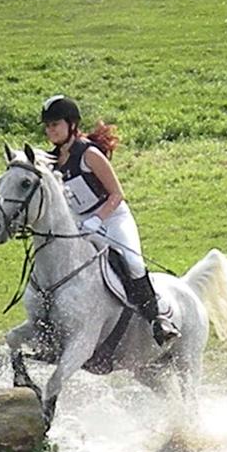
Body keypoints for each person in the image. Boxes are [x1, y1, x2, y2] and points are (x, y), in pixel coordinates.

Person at [40, 94, 180, 345]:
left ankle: (158, 320)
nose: (51, 131)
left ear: (71, 124)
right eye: (48, 126)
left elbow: (117, 194)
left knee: (133, 263)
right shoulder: (51, 162)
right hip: (81, 225)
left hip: (113, 217)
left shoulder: (89, 154)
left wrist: (97, 219)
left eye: (55, 124)